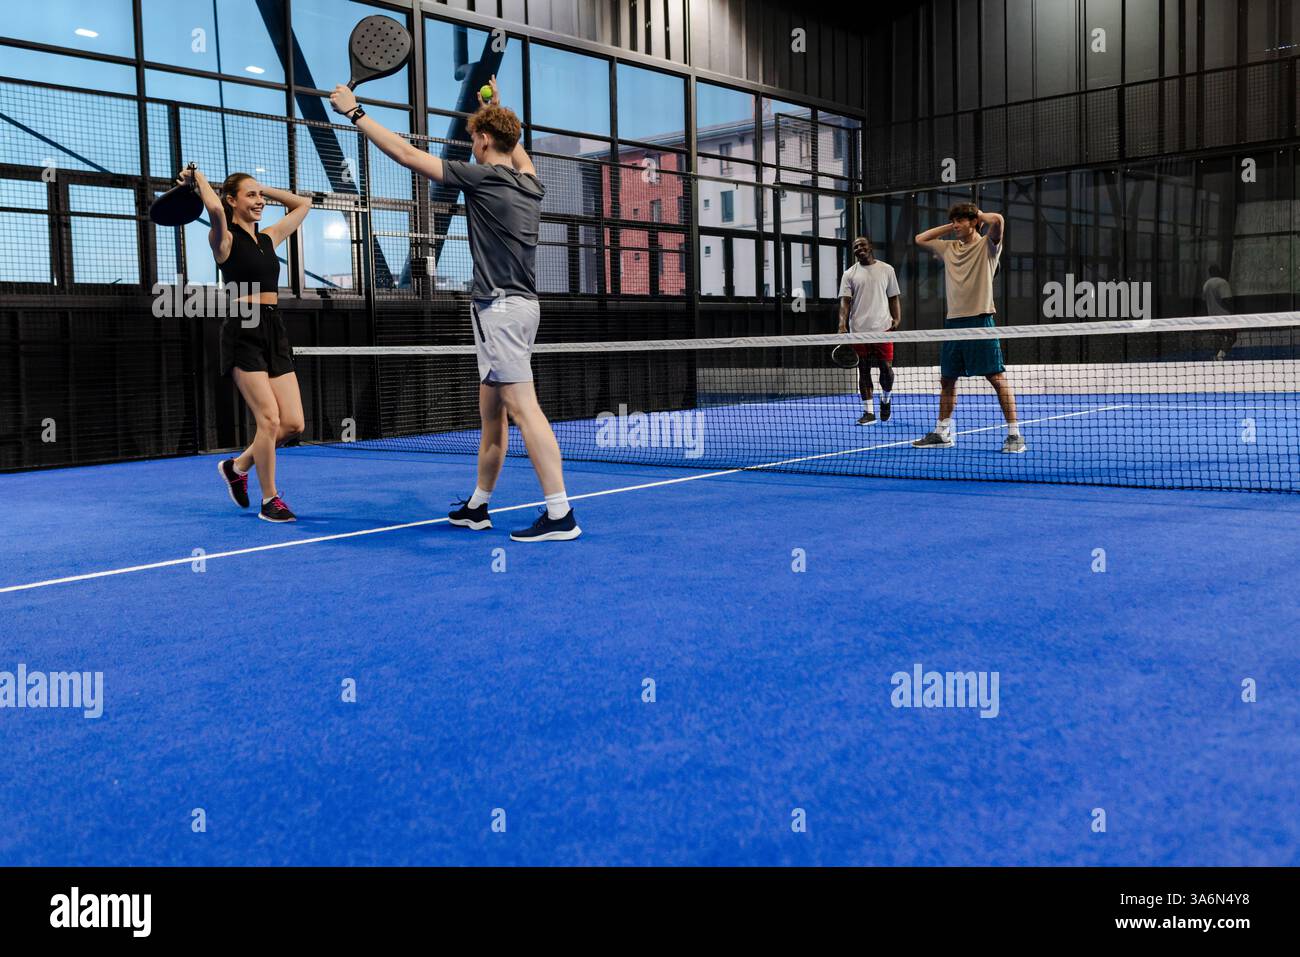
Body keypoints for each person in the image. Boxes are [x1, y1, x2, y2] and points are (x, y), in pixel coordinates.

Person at [330, 76, 580, 541]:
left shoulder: (481, 177)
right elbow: (516, 147)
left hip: (500, 312)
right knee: (493, 414)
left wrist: (354, 112)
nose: (474, 148)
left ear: (485, 141)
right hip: (519, 308)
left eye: (475, 140)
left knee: (525, 411)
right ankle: (478, 506)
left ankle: (560, 513)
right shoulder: (531, 184)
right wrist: (498, 110)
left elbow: (407, 155)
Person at [185, 167, 312, 521]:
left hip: (274, 327)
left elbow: (304, 205)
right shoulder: (223, 240)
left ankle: (237, 467)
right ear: (231, 200)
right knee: (269, 420)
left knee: (293, 425)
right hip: (243, 329)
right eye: (250, 196)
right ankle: (270, 499)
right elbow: (213, 210)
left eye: (261, 197)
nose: (259, 202)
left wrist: (264, 188)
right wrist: (199, 180)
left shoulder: (269, 237)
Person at [911, 202, 1024, 453]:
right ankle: (942, 433)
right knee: (947, 380)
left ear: (974, 222)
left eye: (960, 221)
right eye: (954, 221)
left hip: (981, 321)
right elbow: (920, 238)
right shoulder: (949, 247)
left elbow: (999, 221)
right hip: (954, 323)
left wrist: (978, 216)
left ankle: (1014, 435)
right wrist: (953, 224)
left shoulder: (989, 246)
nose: (955, 226)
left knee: (996, 378)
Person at [837, 237, 901, 425]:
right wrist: (842, 326)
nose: (859, 248)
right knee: (863, 371)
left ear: (870, 247)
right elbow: (845, 302)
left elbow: (894, 297)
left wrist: (897, 318)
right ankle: (868, 412)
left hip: (883, 328)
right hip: (858, 331)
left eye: (862, 245)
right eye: (855, 247)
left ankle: (886, 399)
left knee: (886, 370)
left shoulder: (887, 270)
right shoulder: (849, 274)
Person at [1203, 264, 1236, 360]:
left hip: (1212, 317)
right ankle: (1220, 356)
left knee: (1219, 337)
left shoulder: (1206, 285)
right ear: (1218, 271)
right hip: (1225, 317)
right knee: (1232, 337)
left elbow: (1204, 301)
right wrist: (1234, 314)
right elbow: (1227, 300)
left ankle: (1217, 356)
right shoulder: (1222, 283)